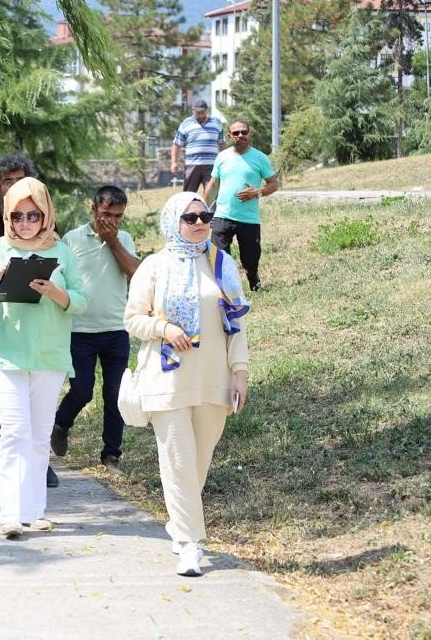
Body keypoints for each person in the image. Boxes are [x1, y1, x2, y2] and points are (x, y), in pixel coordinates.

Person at [123, 191, 250, 577]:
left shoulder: (222, 264)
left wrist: (240, 371)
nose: (199, 223)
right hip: (168, 379)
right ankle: (189, 544)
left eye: (204, 216)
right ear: (172, 222)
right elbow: (133, 319)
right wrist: (164, 327)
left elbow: (237, 323)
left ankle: (180, 526)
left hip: (213, 379)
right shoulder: (154, 266)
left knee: (198, 465)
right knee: (178, 463)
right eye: (189, 218)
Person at [0, 177, 88, 538]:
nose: (25, 223)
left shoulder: (62, 252)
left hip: (49, 355)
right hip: (5, 357)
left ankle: (35, 512)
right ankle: (11, 515)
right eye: (17, 216)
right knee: (14, 433)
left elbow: (81, 300)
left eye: (33, 215)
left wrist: (56, 292)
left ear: (46, 214)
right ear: (7, 214)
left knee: (39, 435)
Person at [0, 153, 59, 488]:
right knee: (6, 404)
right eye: (7, 181)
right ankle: (13, 462)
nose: (14, 187)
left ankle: (40, 462)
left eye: (20, 179)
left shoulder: (45, 221)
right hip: (4, 325)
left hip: (42, 323)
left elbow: (61, 268)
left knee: (40, 404)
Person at [51, 186, 139, 474]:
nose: (111, 221)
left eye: (118, 216)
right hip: (80, 331)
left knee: (115, 394)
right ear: (93, 210)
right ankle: (61, 423)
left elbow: (136, 273)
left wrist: (113, 242)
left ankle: (111, 455)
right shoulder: (73, 239)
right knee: (82, 390)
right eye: (105, 214)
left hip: (116, 329)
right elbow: (60, 280)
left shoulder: (123, 239)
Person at [203, 119, 279, 291]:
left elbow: (273, 184)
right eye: (236, 133)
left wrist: (256, 192)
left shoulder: (260, 158)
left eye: (244, 132)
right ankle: (226, 291)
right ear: (229, 136)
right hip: (222, 215)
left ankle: (253, 281)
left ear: (249, 134)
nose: (240, 136)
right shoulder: (222, 157)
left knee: (250, 260)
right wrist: (203, 208)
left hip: (249, 218)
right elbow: (213, 185)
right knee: (219, 258)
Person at [170, 99, 225, 193]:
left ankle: (210, 208)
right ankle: (189, 208)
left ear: (206, 111)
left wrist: (224, 161)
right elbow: (176, 144)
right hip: (192, 165)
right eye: (197, 113)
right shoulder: (186, 123)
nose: (200, 115)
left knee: (211, 193)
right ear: (193, 111)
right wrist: (174, 162)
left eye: (202, 112)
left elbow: (222, 143)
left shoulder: (216, 123)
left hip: (211, 165)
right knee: (188, 194)